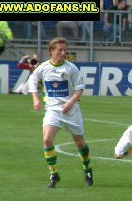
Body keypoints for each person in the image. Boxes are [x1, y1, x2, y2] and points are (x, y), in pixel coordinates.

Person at [28, 37, 93, 188]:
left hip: (71, 110)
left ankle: (88, 169)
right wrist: (35, 99)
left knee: (80, 142)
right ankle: (54, 173)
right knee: (47, 140)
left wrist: (70, 103)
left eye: (65, 50)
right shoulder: (44, 67)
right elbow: (33, 80)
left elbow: (79, 88)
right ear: (51, 51)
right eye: (60, 50)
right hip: (52, 110)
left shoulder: (70, 68)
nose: (63, 53)